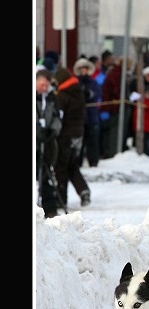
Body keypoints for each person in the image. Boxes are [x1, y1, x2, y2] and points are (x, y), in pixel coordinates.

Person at [53, 67, 91, 208]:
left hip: (66, 134)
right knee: (71, 164)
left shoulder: (61, 96)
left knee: (61, 166)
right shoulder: (78, 92)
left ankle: (61, 200)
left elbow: (59, 117)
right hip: (79, 133)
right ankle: (83, 190)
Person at [36, 69, 62, 218]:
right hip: (35, 142)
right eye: (42, 85)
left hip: (46, 145)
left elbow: (57, 117)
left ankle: (50, 209)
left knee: (46, 176)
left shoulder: (51, 98)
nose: (44, 88)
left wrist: (53, 130)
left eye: (47, 85)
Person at [73, 57, 101, 167]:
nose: (83, 71)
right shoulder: (75, 82)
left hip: (92, 116)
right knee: (80, 140)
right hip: (80, 117)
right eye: (81, 69)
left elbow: (97, 94)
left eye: (85, 68)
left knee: (93, 140)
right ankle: (77, 161)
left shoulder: (93, 82)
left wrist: (89, 94)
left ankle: (93, 160)